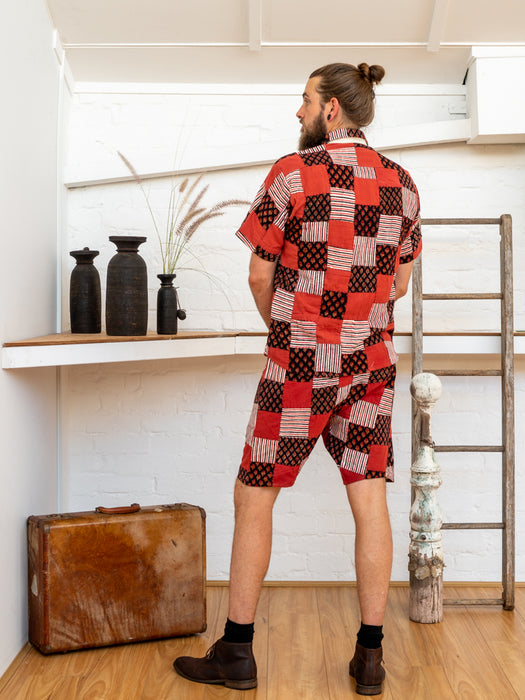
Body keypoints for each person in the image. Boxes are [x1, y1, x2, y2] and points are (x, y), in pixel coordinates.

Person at [173, 62, 421, 696]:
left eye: (305, 100)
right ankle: (371, 658)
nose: (299, 110)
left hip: (300, 364)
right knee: (370, 500)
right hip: (370, 364)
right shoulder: (402, 184)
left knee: (255, 494)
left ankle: (237, 653)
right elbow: (398, 283)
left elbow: (259, 275)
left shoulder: (291, 173)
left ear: (332, 108)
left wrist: (285, 331)